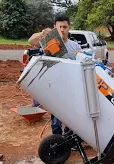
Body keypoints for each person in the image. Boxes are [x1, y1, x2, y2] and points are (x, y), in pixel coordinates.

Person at [28, 15, 82, 148]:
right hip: (54, 87)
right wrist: (43, 33)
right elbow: (31, 41)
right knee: (56, 120)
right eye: (59, 27)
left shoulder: (75, 46)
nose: (62, 29)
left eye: (65, 27)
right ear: (55, 27)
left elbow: (82, 63)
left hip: (70, 87)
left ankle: (69, 141)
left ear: (69, 28)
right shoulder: (49, 42)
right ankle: (57, 144)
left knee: (71, 117)